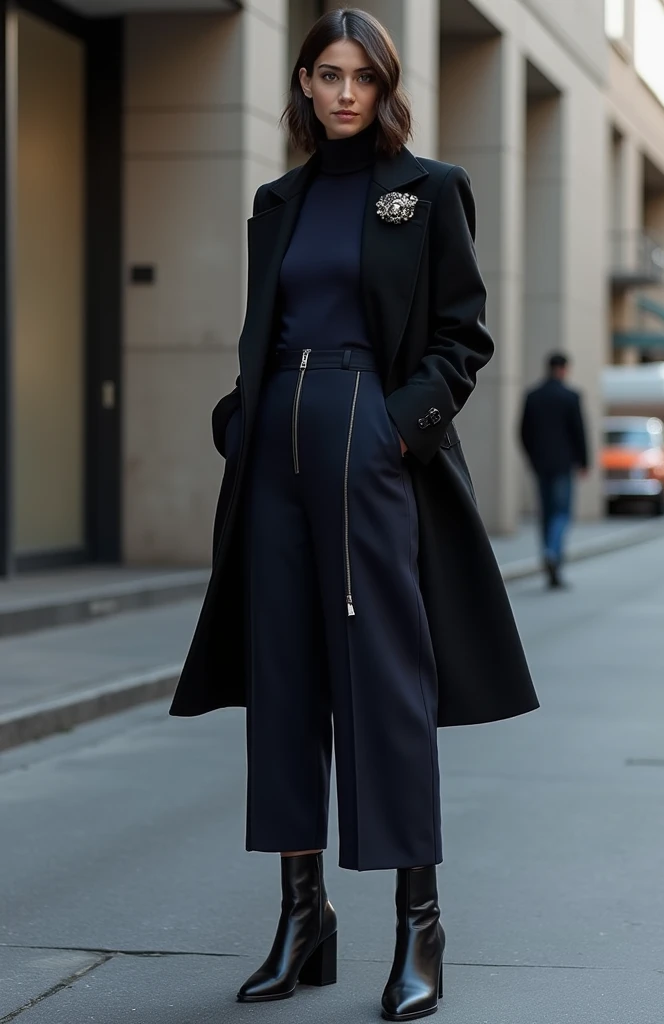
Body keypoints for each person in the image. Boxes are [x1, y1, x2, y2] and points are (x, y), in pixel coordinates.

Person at [170, 9, 538, 1021]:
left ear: (384, 87)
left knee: (383, 685)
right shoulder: (274, 202)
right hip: (274, 452)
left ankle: (420, 924)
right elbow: (268, 326)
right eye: (325, 74)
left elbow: (462, 338)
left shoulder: (426, 193)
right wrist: (242, 418)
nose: (342, 93)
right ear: (301, 83)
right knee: (283, 682)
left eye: (360, 77)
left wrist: (393, 429)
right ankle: (303, 917)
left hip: (370, 451)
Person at [520, 353, 589, 589]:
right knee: (561, 513)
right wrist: (584, 461)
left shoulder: (533, 396)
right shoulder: (570, 397)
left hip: (541, 465)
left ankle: (550, 565)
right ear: (564, 369)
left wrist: (532, 458)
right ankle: (552, 552)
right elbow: (579, 431)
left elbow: (522, 431)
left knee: (546, 514)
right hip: (563, 464)